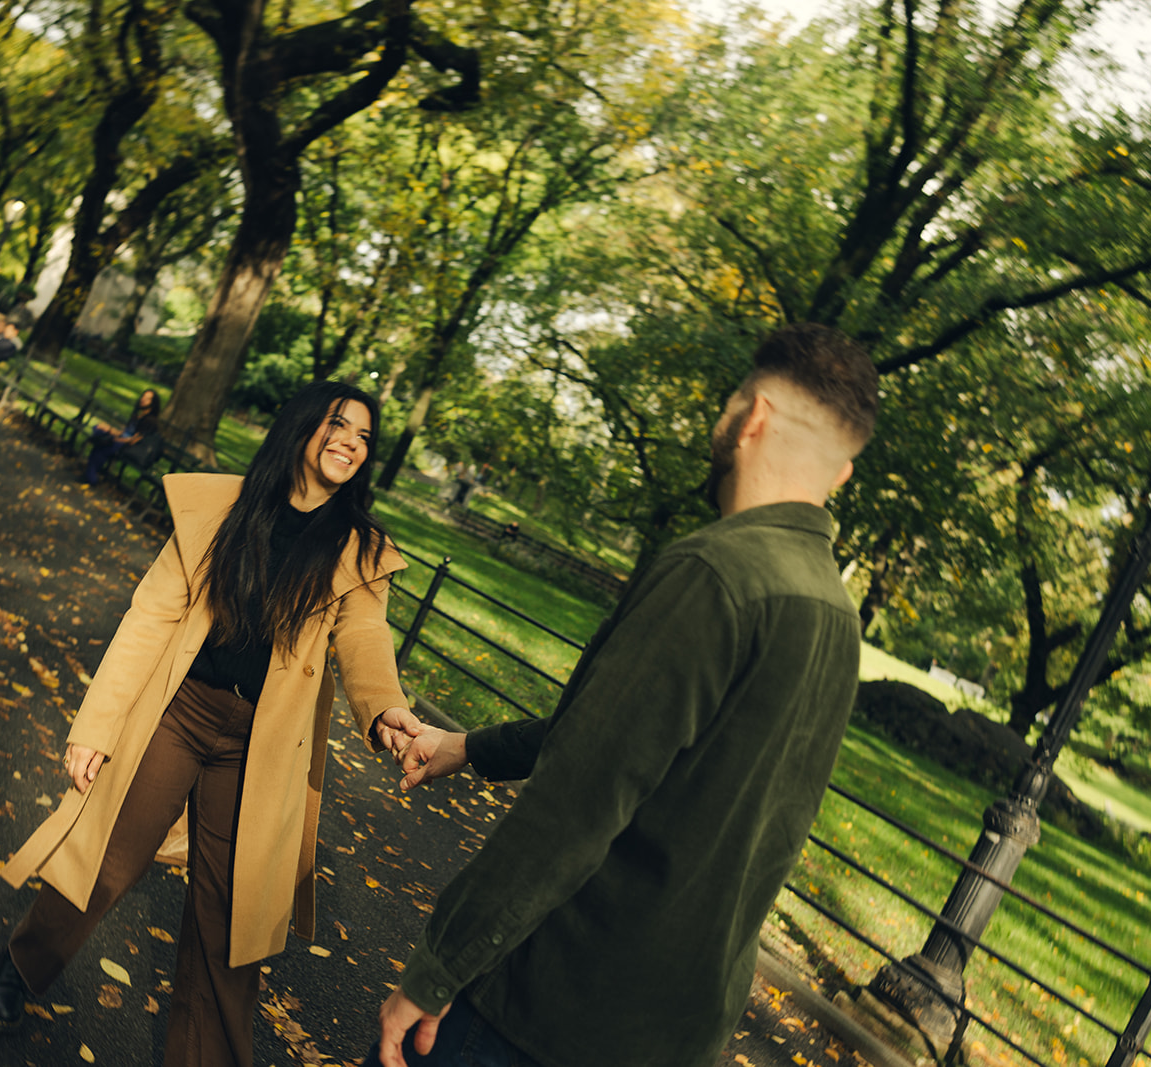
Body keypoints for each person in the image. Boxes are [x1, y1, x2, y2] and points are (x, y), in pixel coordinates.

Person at [368, 323, 881, 1067]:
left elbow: (582, 795)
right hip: (674, 1029)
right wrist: (469, 746)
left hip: (546, 1007)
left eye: (730, 403)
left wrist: (439, 967)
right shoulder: (835, 614)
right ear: (840, 475)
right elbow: (647, 743)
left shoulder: (714, 572)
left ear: (755, 419)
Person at [0, 380, 426, 1067]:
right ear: (301, 427)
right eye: (339, 424)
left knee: (232, 919)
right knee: (106, 862)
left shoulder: (359, 547)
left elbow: (365, 638)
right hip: (181, 712)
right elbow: (150, 615)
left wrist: (388, 709)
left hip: (261, 745)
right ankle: (24, 962)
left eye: (365, 436)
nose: (351, 442)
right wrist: (96, 723)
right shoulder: (221, 508)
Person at [82, 388, 162, 485]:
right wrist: (109, 429)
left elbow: (133, 440)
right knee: (99, 433)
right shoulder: (137, 416)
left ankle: (91, 478)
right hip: (120, 441)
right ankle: (90, 476)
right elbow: (125, 432)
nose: (143, 400)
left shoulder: (150, 421)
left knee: (101, 447)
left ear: (153, 403)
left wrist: (115, 439)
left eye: (147, 399)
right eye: (143, 397)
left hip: (127, 447)